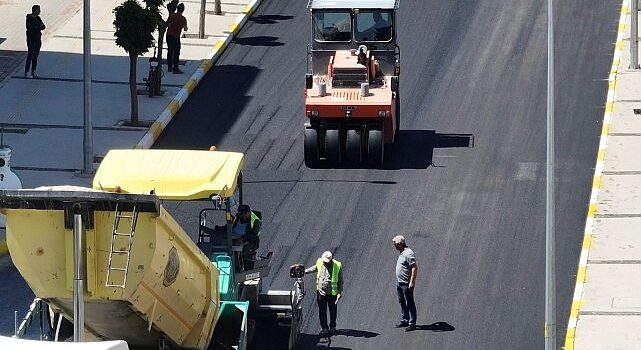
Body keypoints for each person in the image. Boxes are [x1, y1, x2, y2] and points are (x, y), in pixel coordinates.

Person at [305, 251, 343, 337]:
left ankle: (332, 327)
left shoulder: (337, 265)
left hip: (332, 293)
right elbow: (315, 268)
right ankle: (324, 328)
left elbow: (340, 280)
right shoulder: (320, 262)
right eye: (324, 261)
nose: (325, 263)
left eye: (326, 262)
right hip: (321, 292)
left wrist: (340, 292)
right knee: (322, 311)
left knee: (333, 310)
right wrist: (305, 272)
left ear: (331, 260)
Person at [392, 235, 418, 331]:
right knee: (401, 301)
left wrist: (412, 282)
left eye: (395, 244)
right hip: (399, 282)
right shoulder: (402, 253)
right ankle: (405, 320)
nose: (394, 246)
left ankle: (412, 323)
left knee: (410, 302)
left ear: (401, 244)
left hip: (406, 283)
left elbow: (414, 267)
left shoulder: (408, 253)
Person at [166, 3, 187, 74]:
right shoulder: (183, 19)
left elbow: (168, 25)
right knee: (176, 52)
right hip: (176, 37)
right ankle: (175, 68)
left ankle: (169, 67)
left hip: (168, 35)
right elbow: (185, 29)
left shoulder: (172, 16)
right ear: (183, 10)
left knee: (170, 51)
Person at [25, 4, 45, 78]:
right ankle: (27, 71)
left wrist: (38, 27)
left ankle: (33, 70)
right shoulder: (29, 18)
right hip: (31, 39)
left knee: (35, 56)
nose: (40, 11)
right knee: (30, 55)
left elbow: (43, 26)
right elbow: (31, 28)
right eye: (38, 10)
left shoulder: (38, 18)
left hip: (38, 39)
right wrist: (38, 27)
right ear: (35, 10)